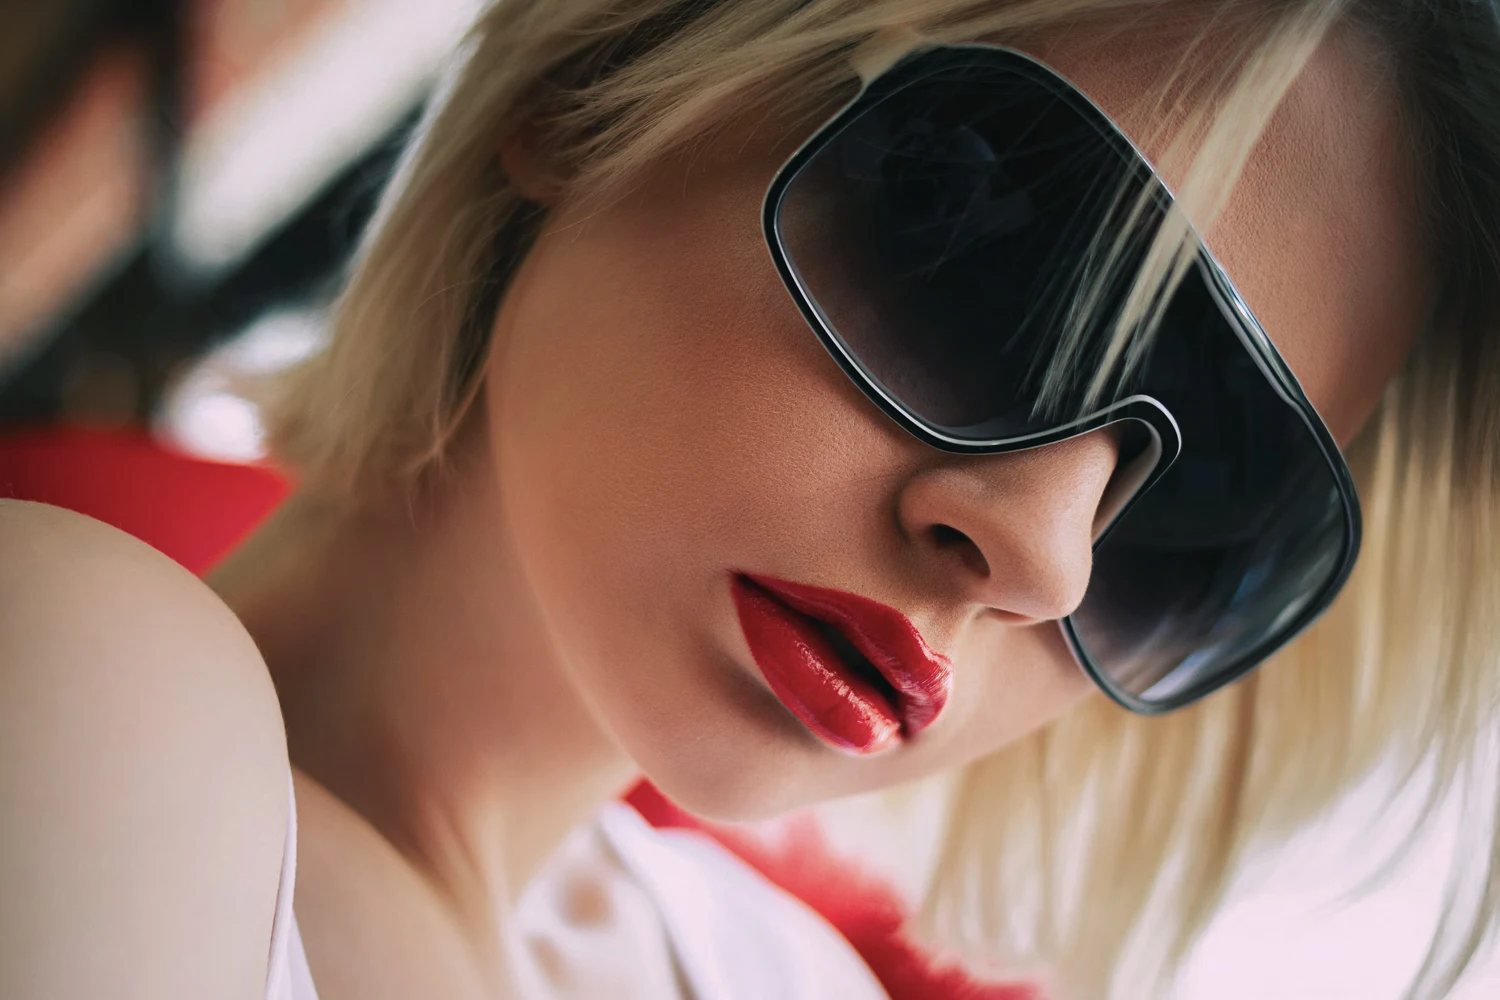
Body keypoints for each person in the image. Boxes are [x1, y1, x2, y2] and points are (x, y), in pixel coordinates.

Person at [3, 1, 1499, 997]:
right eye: (983, 258)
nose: (1040, 551)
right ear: (603, 78)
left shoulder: (764, 972)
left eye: (1216, 504)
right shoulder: (78, 677)